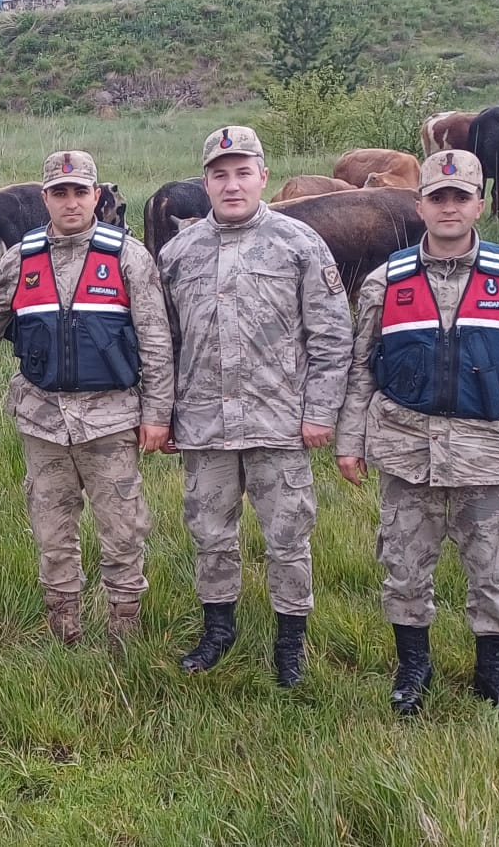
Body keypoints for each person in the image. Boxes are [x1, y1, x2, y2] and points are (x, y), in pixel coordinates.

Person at [335, 150, 499, 719]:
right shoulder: (385, 281)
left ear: (479, 206)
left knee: (494, 569)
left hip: (486, 453)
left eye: (459, 198)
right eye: (437, 197)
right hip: (404, 450)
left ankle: (496, 674)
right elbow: (360, 365)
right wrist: (349, 440)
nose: (448, 207)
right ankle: (413, 670)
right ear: (420, 205)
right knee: (404, 568)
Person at [156, 126, 352, 686]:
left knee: (288, 537)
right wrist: (165, 412)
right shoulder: (178, 252)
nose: (232, 184)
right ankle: (218, 629)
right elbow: (163, 341)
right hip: (203, 423)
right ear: (206, 183)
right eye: (220, 174)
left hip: (279, 421)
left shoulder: (299, 243)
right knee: (209, 533)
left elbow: (333, 335)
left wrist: (320, 410)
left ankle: (291, 641)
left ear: (263, 176)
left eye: (243, 172)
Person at [0, 150, 174, 650]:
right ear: (45, 199)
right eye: (59, 193)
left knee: (122, 531)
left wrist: (158, 414)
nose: (70, 202)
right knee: (52, 531)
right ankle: (65, 631)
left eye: (80, 191)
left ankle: (124, 633)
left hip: (111, 419)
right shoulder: (20, 259)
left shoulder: (129, 257)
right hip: (42, 422)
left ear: (97, 195)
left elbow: (155, 340)